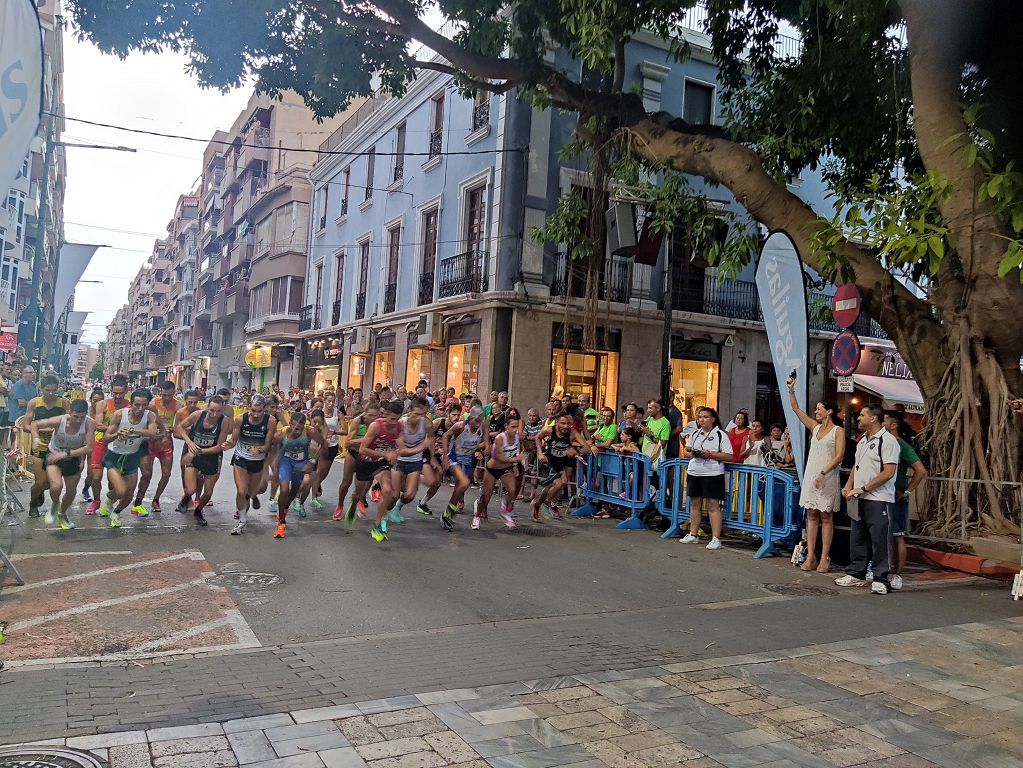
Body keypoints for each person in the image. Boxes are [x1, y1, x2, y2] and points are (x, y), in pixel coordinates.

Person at [836, 404, 900, 595]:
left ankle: (882, 577)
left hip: (879, 497)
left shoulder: (888, 441)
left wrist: (863, 488)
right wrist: (849, 485)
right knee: (858, 536)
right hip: (859, 496)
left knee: (880, 539)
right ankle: (856, 572)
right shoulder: (862, 440)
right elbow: (858, 465)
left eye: (863, 415)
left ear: (873, 418)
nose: (858, 418)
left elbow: (889, 472)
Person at [786, 376, 845, 572]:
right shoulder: (815, 427)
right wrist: (791, 390)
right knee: (811, 514)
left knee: (826, 516)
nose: (816, 411)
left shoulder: (838, 431)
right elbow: (796, 410)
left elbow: (839, 456)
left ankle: (825, 557)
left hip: (827, 476)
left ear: (829, 411)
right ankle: (810, 555)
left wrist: (823, 472)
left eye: (819, 408)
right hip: (812, 474)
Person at [101, 389, 163, 528]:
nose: (140, 409)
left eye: (144, 405)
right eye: (137, 405)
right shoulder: (119, 415)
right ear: (131, 403)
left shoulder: (150, 416)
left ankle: (116, 512)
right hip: (114, 456)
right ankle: (108, 499)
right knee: (120, 490)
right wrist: (118, 433)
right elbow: (106, 438)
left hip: (132, 457)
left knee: (128, 496)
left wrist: (132, 431)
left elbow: (152, 433)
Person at [30, 399, 95, 530]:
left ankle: (62, 513)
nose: (79, 420)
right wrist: (35, 439)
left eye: (82, 416)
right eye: (76, 416)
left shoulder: (89, 423)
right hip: (54, 455)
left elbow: (89, 448)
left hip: (72, 457)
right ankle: (55, 504)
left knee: (71, 492)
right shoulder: (60, 420)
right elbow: (35, 424)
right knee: (56, 486)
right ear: (69, 413)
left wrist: (66, 454)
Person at [883, 410, 928, 590]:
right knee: (881, 534)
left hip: (896, 496)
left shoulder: (901, 446)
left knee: (897, 536)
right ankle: (881, 568)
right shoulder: (880, 443)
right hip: (881, 495)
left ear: (893, 425)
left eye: (884, 420)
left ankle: (897, 573)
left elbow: (921, 471)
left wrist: (907, 492)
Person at [679, 407, 732, 550]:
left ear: (713, 419)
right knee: (694, 504)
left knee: (712, 505)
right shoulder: (695, 434)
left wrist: (710, 454)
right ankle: (693, 534)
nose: (702, 420)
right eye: (700, 417)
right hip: (695, 471)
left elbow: (728, 455)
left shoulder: (721, 435)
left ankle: (716, 538)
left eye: (705, 417)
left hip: (713, 473)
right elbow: (686, 452)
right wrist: (695, 454)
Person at [176, 395, 231, 528]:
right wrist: (189, 442)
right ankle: (186, 497)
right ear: (207, 407)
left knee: (208, 492)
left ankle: (198, 511)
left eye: (218, 411)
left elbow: (219, 446)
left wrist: (202, 451)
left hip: (211, 455)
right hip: (194, 454)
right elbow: (180, 427)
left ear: (222, 409)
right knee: (191, 488)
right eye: (212, 410)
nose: (214, 414)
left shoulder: (224, 421)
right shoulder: (197, 415)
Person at [357, 400, 406, 542]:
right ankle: (355, 504)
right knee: (358, 494)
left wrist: (398, 451)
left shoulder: (399, 426)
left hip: (380, 463)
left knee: (388, 490)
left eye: (397, 419)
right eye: (391, 419)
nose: (394, 422)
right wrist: (385, 454)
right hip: (366, 460)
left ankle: (377, 524)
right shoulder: (376, 426)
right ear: (386, 415)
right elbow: (362, 449)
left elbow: (400, 444)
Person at [226, 394, 277, 528]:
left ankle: (250, 497)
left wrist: (259, 450)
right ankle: (242, 520)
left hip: (258, 460)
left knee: (256, 490)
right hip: (241, 458)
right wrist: (227, 445)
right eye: (253, 411)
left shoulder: (270, 421)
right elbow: (233, 440)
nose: (256, 415)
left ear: (264, 409)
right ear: (249, 408)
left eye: (259, 411)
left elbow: (267, 445)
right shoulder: (240, 419)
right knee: (241, 491)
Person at [23, 375, 70, 518]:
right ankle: (32, 504)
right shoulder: (34, 403)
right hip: (40, 445)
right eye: (47, 390)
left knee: (51, 483)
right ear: (41, 389)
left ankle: (41, 492)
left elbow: (70, 423)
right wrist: (40, 431)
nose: (50, 394)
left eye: (54, 391)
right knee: (39, 482)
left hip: (57, 447)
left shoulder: (64, 403)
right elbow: (25, 425)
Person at [272, 412, 321, 539]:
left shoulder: (309, 432)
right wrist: (274, 465)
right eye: (293, 427)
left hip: (300, 463)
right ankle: (281, 523)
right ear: (289, 424)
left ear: (304, 426)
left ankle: (285, 508)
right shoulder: (281, 433)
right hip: (285, 462)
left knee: (294, 490)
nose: (296, 431)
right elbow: (272, 448)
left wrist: (313, 461)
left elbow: (324, 445)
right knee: (284, 489)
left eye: (299, 429)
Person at [532, 413, 589, 521]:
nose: (565, 426)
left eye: (568, 424)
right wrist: (540, 453)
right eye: (563, 423)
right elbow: (538, 438)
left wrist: (576, 451)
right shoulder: (549, 430)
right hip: (551, 459)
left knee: (561, 484)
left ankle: (543, 503)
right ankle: (544, 503)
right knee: (557, 483)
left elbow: (587, 448)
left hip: (565, 460)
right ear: (557, 422)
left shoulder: (572, 433)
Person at [475, 412, 527, 529]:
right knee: (486, 497)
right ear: (506, 427)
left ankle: (505, 511)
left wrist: (514, 465)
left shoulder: (518, 437)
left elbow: (515, 452)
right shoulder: (500, 438)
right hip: (492, 469)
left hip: (505, 469)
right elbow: (497, 457)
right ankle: (477, 515)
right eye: (513, 427)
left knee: (513, 490)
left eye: (517, 426)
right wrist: (516, 459)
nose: (515, 429)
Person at [389, 396, 436, 525]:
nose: (418, 418)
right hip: (399, 460)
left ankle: (396, 508)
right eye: (415, 414)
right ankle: (383, 515)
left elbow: (431, 438)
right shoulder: (400, 424)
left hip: (415, 461)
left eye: (421, 415)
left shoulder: (426, 424)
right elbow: (402, 450)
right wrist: (422, 447)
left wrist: (432, 457)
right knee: (395, 493)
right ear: (409, 410)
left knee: (410, 495)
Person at [135, 380, 180, 514]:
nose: (166, 398)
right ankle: (138, 500)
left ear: (174, 393)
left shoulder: (178, 405)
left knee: (166, 474)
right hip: (150, 442)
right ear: (160, 392)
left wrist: (173, 429)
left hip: (166, 443)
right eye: (164, 395)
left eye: (170, 395)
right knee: (146, 474)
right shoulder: (152, 404)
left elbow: (181, 425)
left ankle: (156, 499)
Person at [442, 406, 489, 531]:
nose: (477, 424)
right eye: (475, 421)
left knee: (461, 487)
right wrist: (445, 455)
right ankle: (448, 512)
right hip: (455, 457)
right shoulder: (461, 426)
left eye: (480, 420)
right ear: (470, 418)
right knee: (464, 483)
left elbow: (487, 445)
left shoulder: (483, 427)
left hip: (468, 459)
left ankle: (448, 512)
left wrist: (481, 451)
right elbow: (446, 436)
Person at [335, 402, 380, 523]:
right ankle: (340, 505)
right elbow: (348, 442)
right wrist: (367, 439)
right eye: (370, 415)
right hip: (353, 454)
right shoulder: (357, 421)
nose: (372, 418)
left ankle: (354, 505)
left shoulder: (379, 424)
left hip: (366, 457)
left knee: (359, 488)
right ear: (365, 413)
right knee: (346, 483)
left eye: (375, 416)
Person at [173, 389, 203, 512]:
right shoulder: (181, 413)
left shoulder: (202, 412)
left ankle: (197, 497)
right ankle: (187, 495)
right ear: (185, 401)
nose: (192, 405)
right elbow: (176, 433)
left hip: (200, 447)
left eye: (195, 402)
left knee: (201, 474)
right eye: (190, 402)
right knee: (184, 470)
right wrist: (189, 437)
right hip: (188, 446)